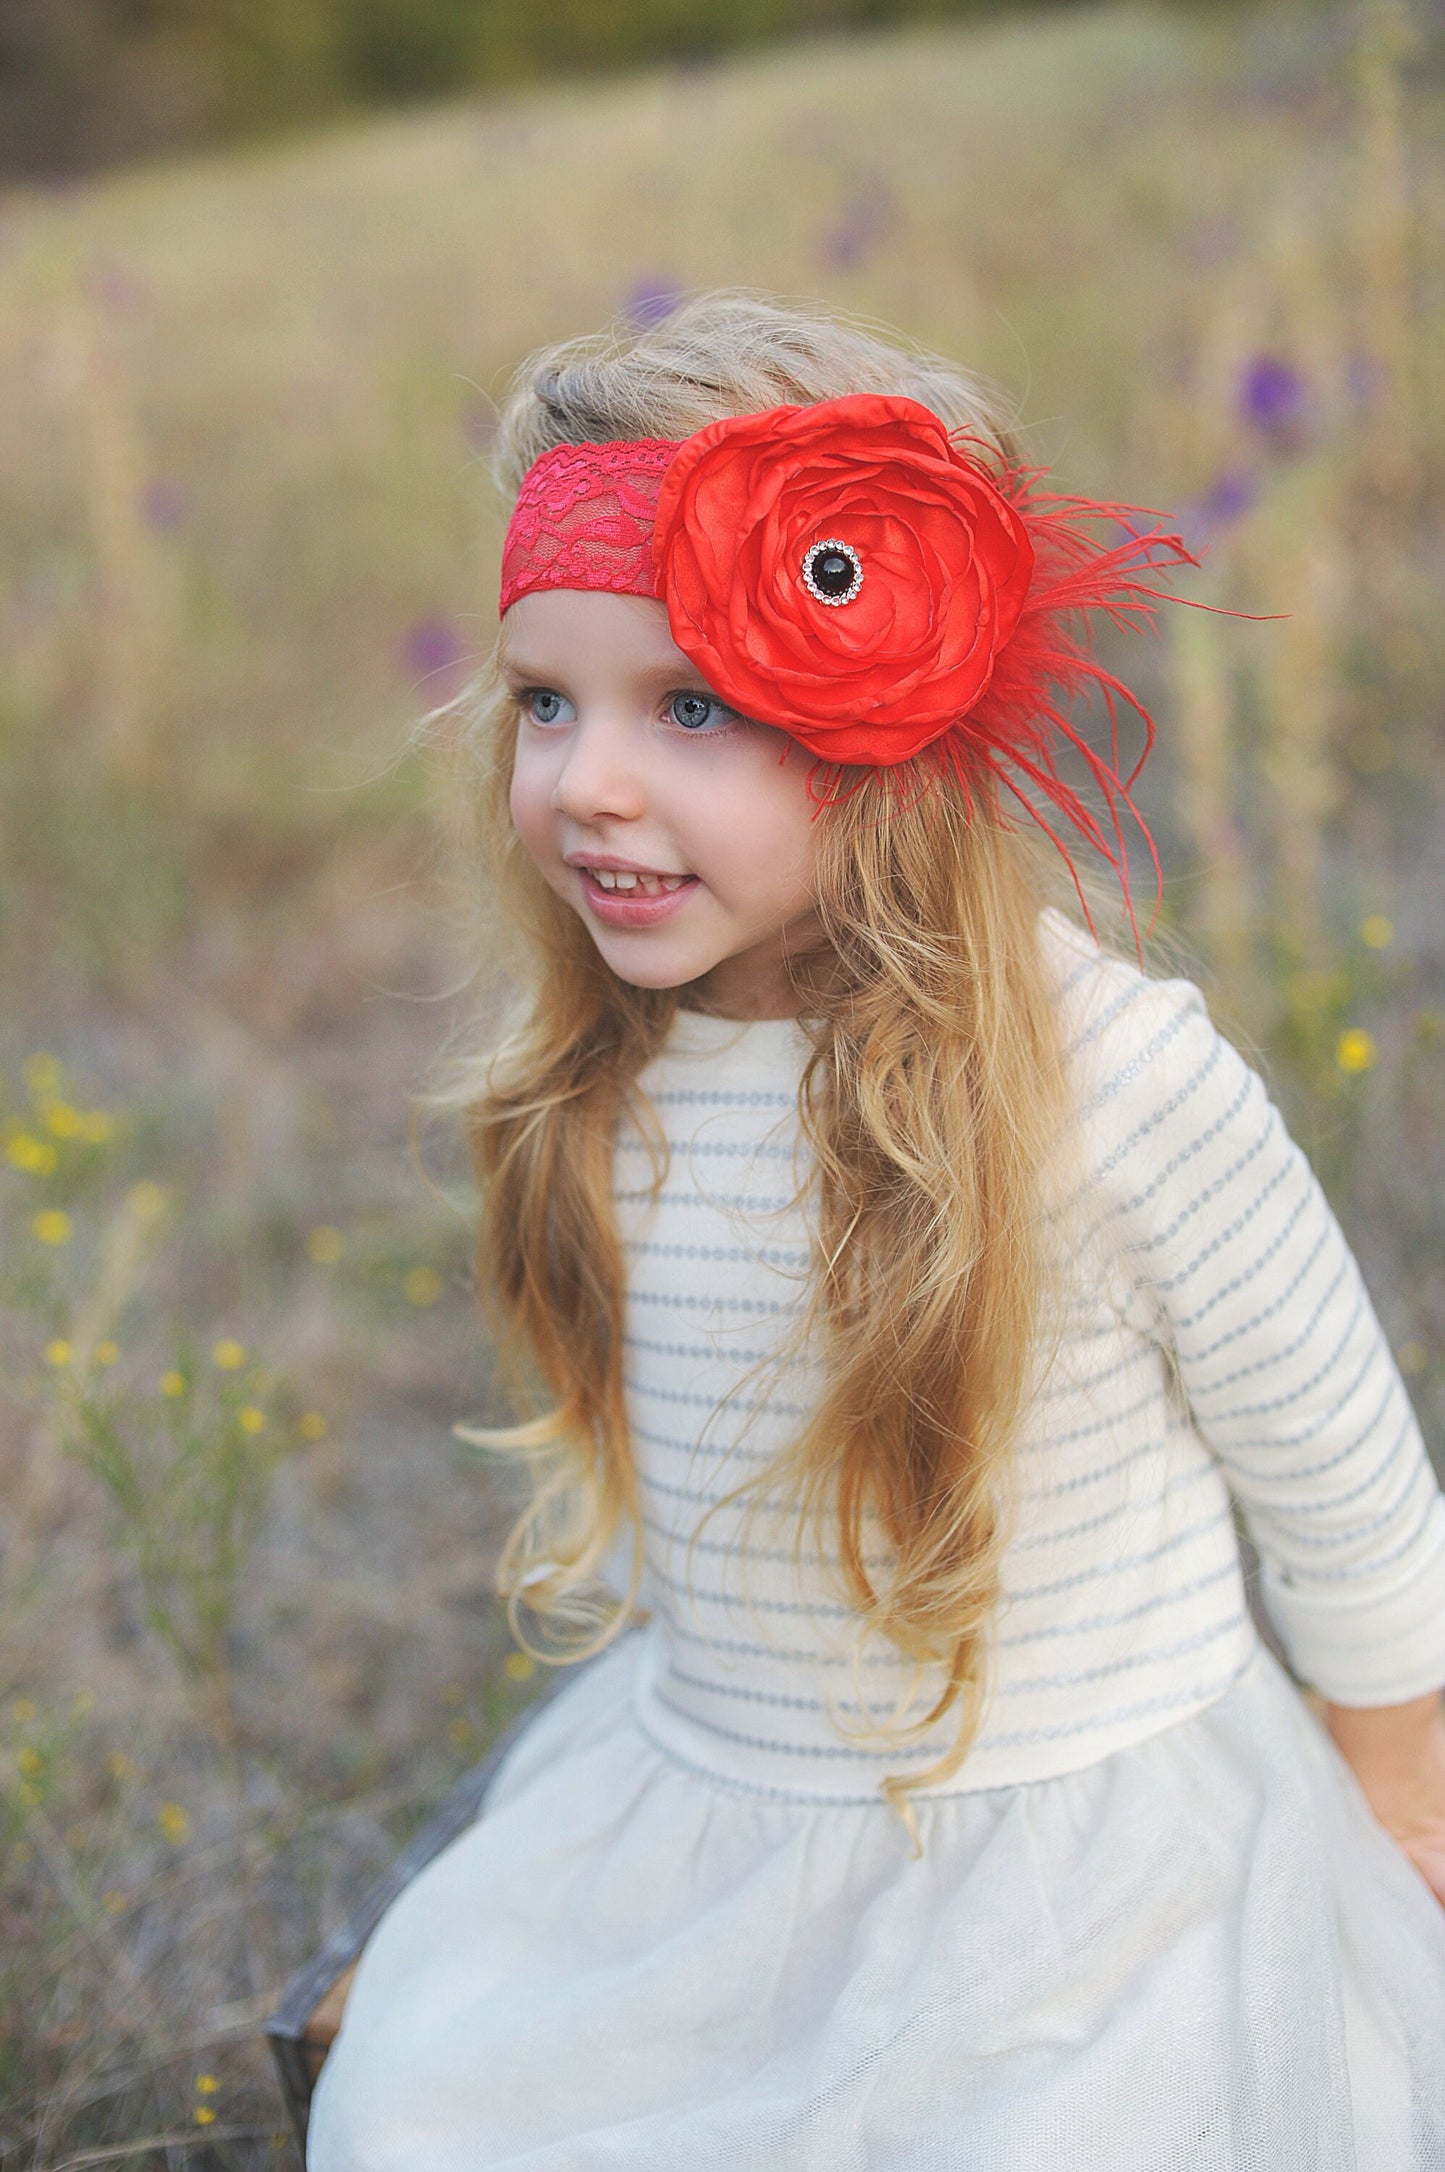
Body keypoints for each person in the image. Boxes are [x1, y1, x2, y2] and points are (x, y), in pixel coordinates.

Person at [307, 293, 1445, 2170]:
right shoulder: (602, 1074)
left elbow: (1344, 1486)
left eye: (689, 706)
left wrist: (1391, 1806)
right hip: (723, 1809)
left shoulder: (1109, 1087)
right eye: (544, 702)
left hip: (1089, 1864)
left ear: (891, 734)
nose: (586, 781)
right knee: (418, 2109)